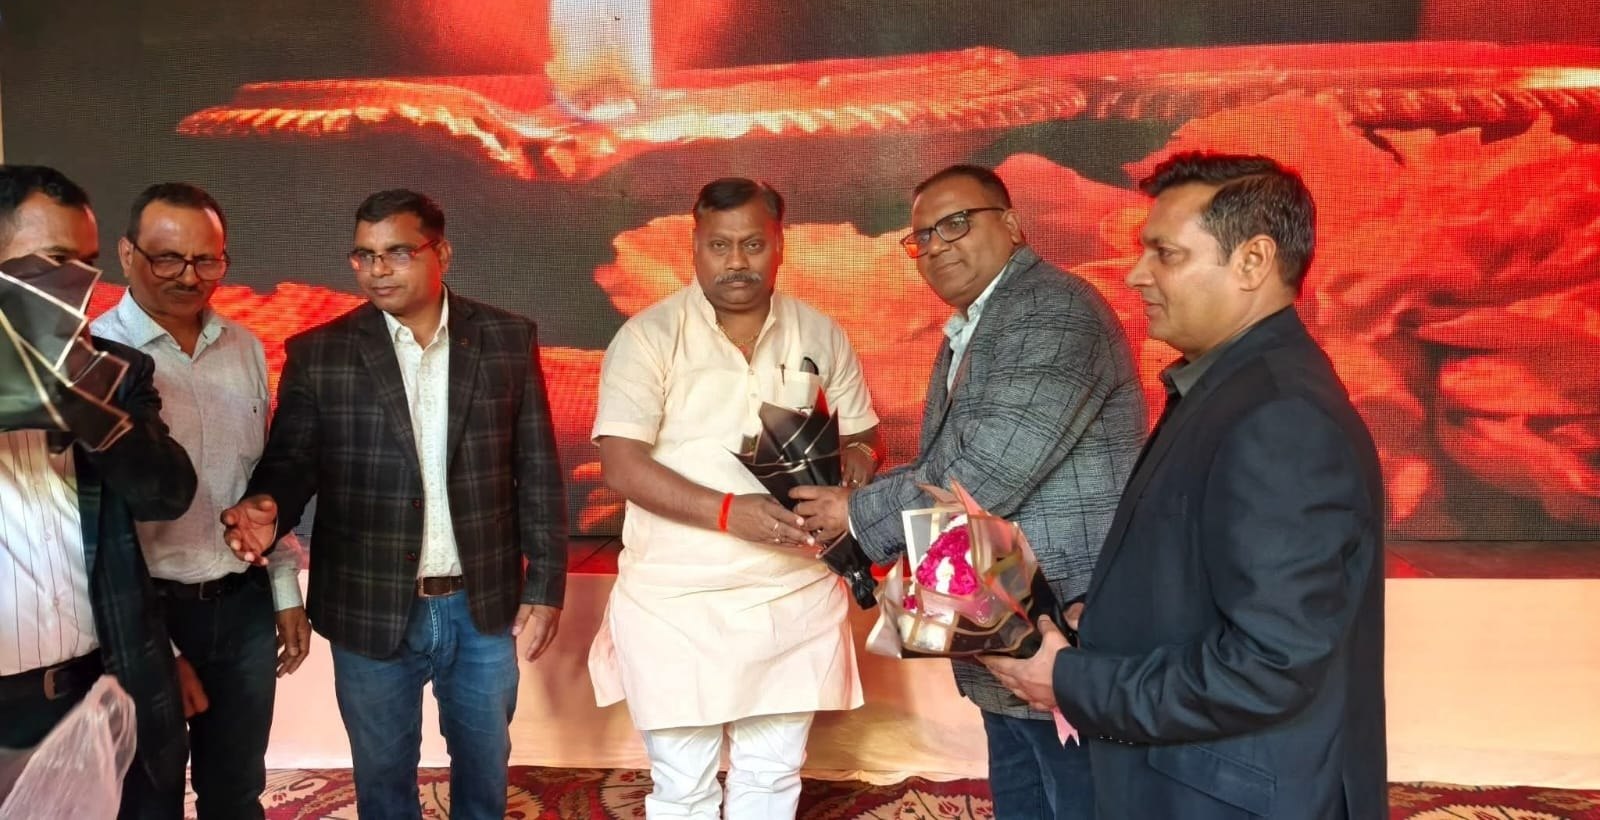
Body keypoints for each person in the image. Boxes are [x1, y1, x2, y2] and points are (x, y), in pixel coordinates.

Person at [983, 152, 1387, 819]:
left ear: (1253, 261)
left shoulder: (1281, 416)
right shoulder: (1228, 386)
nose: (1137, 274)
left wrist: (1073, 680)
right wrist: (1099, 620)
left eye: (1165, 254)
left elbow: (1268, 665)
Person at [793, 164, 1146, 820]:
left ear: (1011, 224)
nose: (936, 246)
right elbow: (945, 462)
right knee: (1023, 794)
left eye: (956, 223)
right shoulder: (980, 321)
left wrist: (856, 513)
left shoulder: (1052, 308)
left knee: (1077, 798)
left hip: (1062, 629)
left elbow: (990, 468)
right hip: (1002, 629)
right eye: (922, 236)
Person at [218, 189, 568, 820]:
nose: (377, 269)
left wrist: (545, 586)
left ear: (442, 253)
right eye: (364, 255)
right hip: (367, 602)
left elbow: (538, 469)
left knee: (485, 772)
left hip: (480, 604)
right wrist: (268, 504)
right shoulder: (320, 353)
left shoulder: (506, 339)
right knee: (381, 781)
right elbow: (292, 461)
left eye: (397, 252)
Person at [587, 178, 883, 820]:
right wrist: (728, 512)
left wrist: (852, 472)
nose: (736, 261)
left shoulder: (819, 331)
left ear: (780, 246)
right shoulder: (648, 336)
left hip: (794, 596)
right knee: (682, 789)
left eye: (753, 244)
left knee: (771, 780)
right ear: (694, 248)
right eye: (719, 245)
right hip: (675, 600)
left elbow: (862, 435)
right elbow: (622, 465)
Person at [90, 182, 309, 819]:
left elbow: (259, 484)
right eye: (168, 259)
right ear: (127, 254)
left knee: (236, 793)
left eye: (207, 261)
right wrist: (157, 647)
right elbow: (91, 523)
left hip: (241, 608)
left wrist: (284, 589)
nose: (189, 277)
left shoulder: (244, 348)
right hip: (141, 614)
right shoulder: (93, 359)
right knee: (146, 798)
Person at [0, 164, 196, 819]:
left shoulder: (115, 371)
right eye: (56, 261)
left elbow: (167, 494)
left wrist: (80, 403)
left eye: (87, 264)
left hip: (103, 691)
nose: (79, 285)